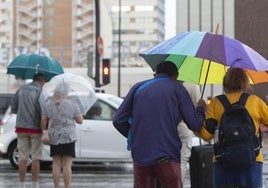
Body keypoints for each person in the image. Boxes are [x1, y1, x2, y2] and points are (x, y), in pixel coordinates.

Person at [113, 61, 207, 188]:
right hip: (166, 153)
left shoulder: (138, 87)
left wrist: (135, 135)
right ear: (176, 75)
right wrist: (201, 109)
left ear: (155, 74)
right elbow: (195, 124)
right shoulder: (178, 89)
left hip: (141, 153)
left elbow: (118, 120)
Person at [198, 68, 268, 188]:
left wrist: (200, 110)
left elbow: (206, 135)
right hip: (252, 159)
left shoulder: (216, 102)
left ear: (225, 83)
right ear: (245, 82)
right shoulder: (255, 101)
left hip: (222, 161)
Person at [41, 82, 83, 188]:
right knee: (67, 164)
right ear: (66, 91)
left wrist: (44, 129)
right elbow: (80, 120)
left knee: (56, 163)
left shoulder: (48, 104)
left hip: (54, 136)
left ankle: (56, 187)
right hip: (69, 136)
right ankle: (67, 186)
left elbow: (43, 120)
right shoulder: (72, 104)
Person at [11, 73, 46, 188]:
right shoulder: (41, 92)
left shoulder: (20, 90)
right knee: (36, 158)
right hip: (35, 129)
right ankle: (35, 185)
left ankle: (22, 185)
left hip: (21, 128)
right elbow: (43, 112)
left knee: (22, 158)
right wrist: (43, 128)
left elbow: (14, 109)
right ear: (41, 82)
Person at [177, 81, 201, 182]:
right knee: (181, 161)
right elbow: (196, 110)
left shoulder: (165, 83)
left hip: (165, 127)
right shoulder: (192, 85)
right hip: (184, 127)